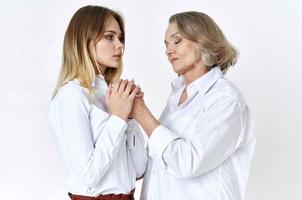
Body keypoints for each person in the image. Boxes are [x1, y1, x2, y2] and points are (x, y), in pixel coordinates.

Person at [131, 11, 256, 200]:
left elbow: (188, 162)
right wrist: (128, 117)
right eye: (166, 44)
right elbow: (158, 163)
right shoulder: (177, 95)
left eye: (177, 41)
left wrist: (142, 114)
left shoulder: (226, 99)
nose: (168, 50)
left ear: (202, 41)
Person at [49, 5, 146, 200]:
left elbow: (139, 170)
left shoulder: (111, 94)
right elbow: (89, 175)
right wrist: (118, 118)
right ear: (85, 40)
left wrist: (131, 117)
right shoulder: (71, 96)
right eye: (110, 37)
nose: (119, 45)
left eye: (120, 38)